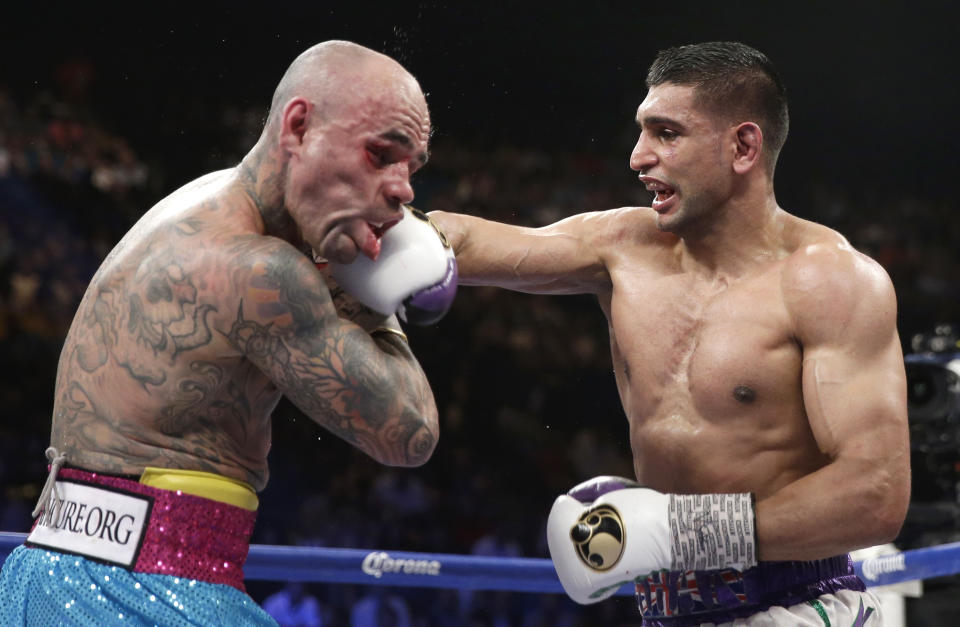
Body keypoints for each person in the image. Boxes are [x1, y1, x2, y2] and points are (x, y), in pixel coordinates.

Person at [429, 41, 910, 625]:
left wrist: (679, 534)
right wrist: (370, 235)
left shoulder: (829, 281)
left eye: (666, 133)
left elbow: (876, 493)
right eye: (642, 131)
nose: (637, 157)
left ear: (742, 146)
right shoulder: (623, 248)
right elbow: (475, 243)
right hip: (666, 607)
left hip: (796, 603)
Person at [0, 40, 451, 625]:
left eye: (410, 167)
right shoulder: (259, 269)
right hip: (146, 591)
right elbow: (409, 434)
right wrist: (380, 299)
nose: (403, 189)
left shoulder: (202, 203)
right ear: (299, 126)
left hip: (52, 574)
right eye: (380, 154)